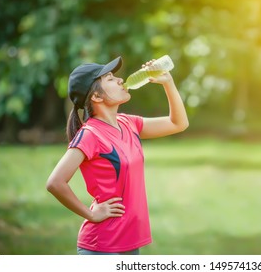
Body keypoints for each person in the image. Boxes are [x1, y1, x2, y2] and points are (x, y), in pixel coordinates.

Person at [46, 56, 189, 255]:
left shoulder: (128, 123)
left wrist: (168, 83)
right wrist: (91, 214)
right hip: (102, 245)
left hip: (129, 242)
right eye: (110, 79)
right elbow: (55, 182)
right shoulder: (90, 135)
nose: (120, 80)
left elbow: (178, 124)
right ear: (96, 97)